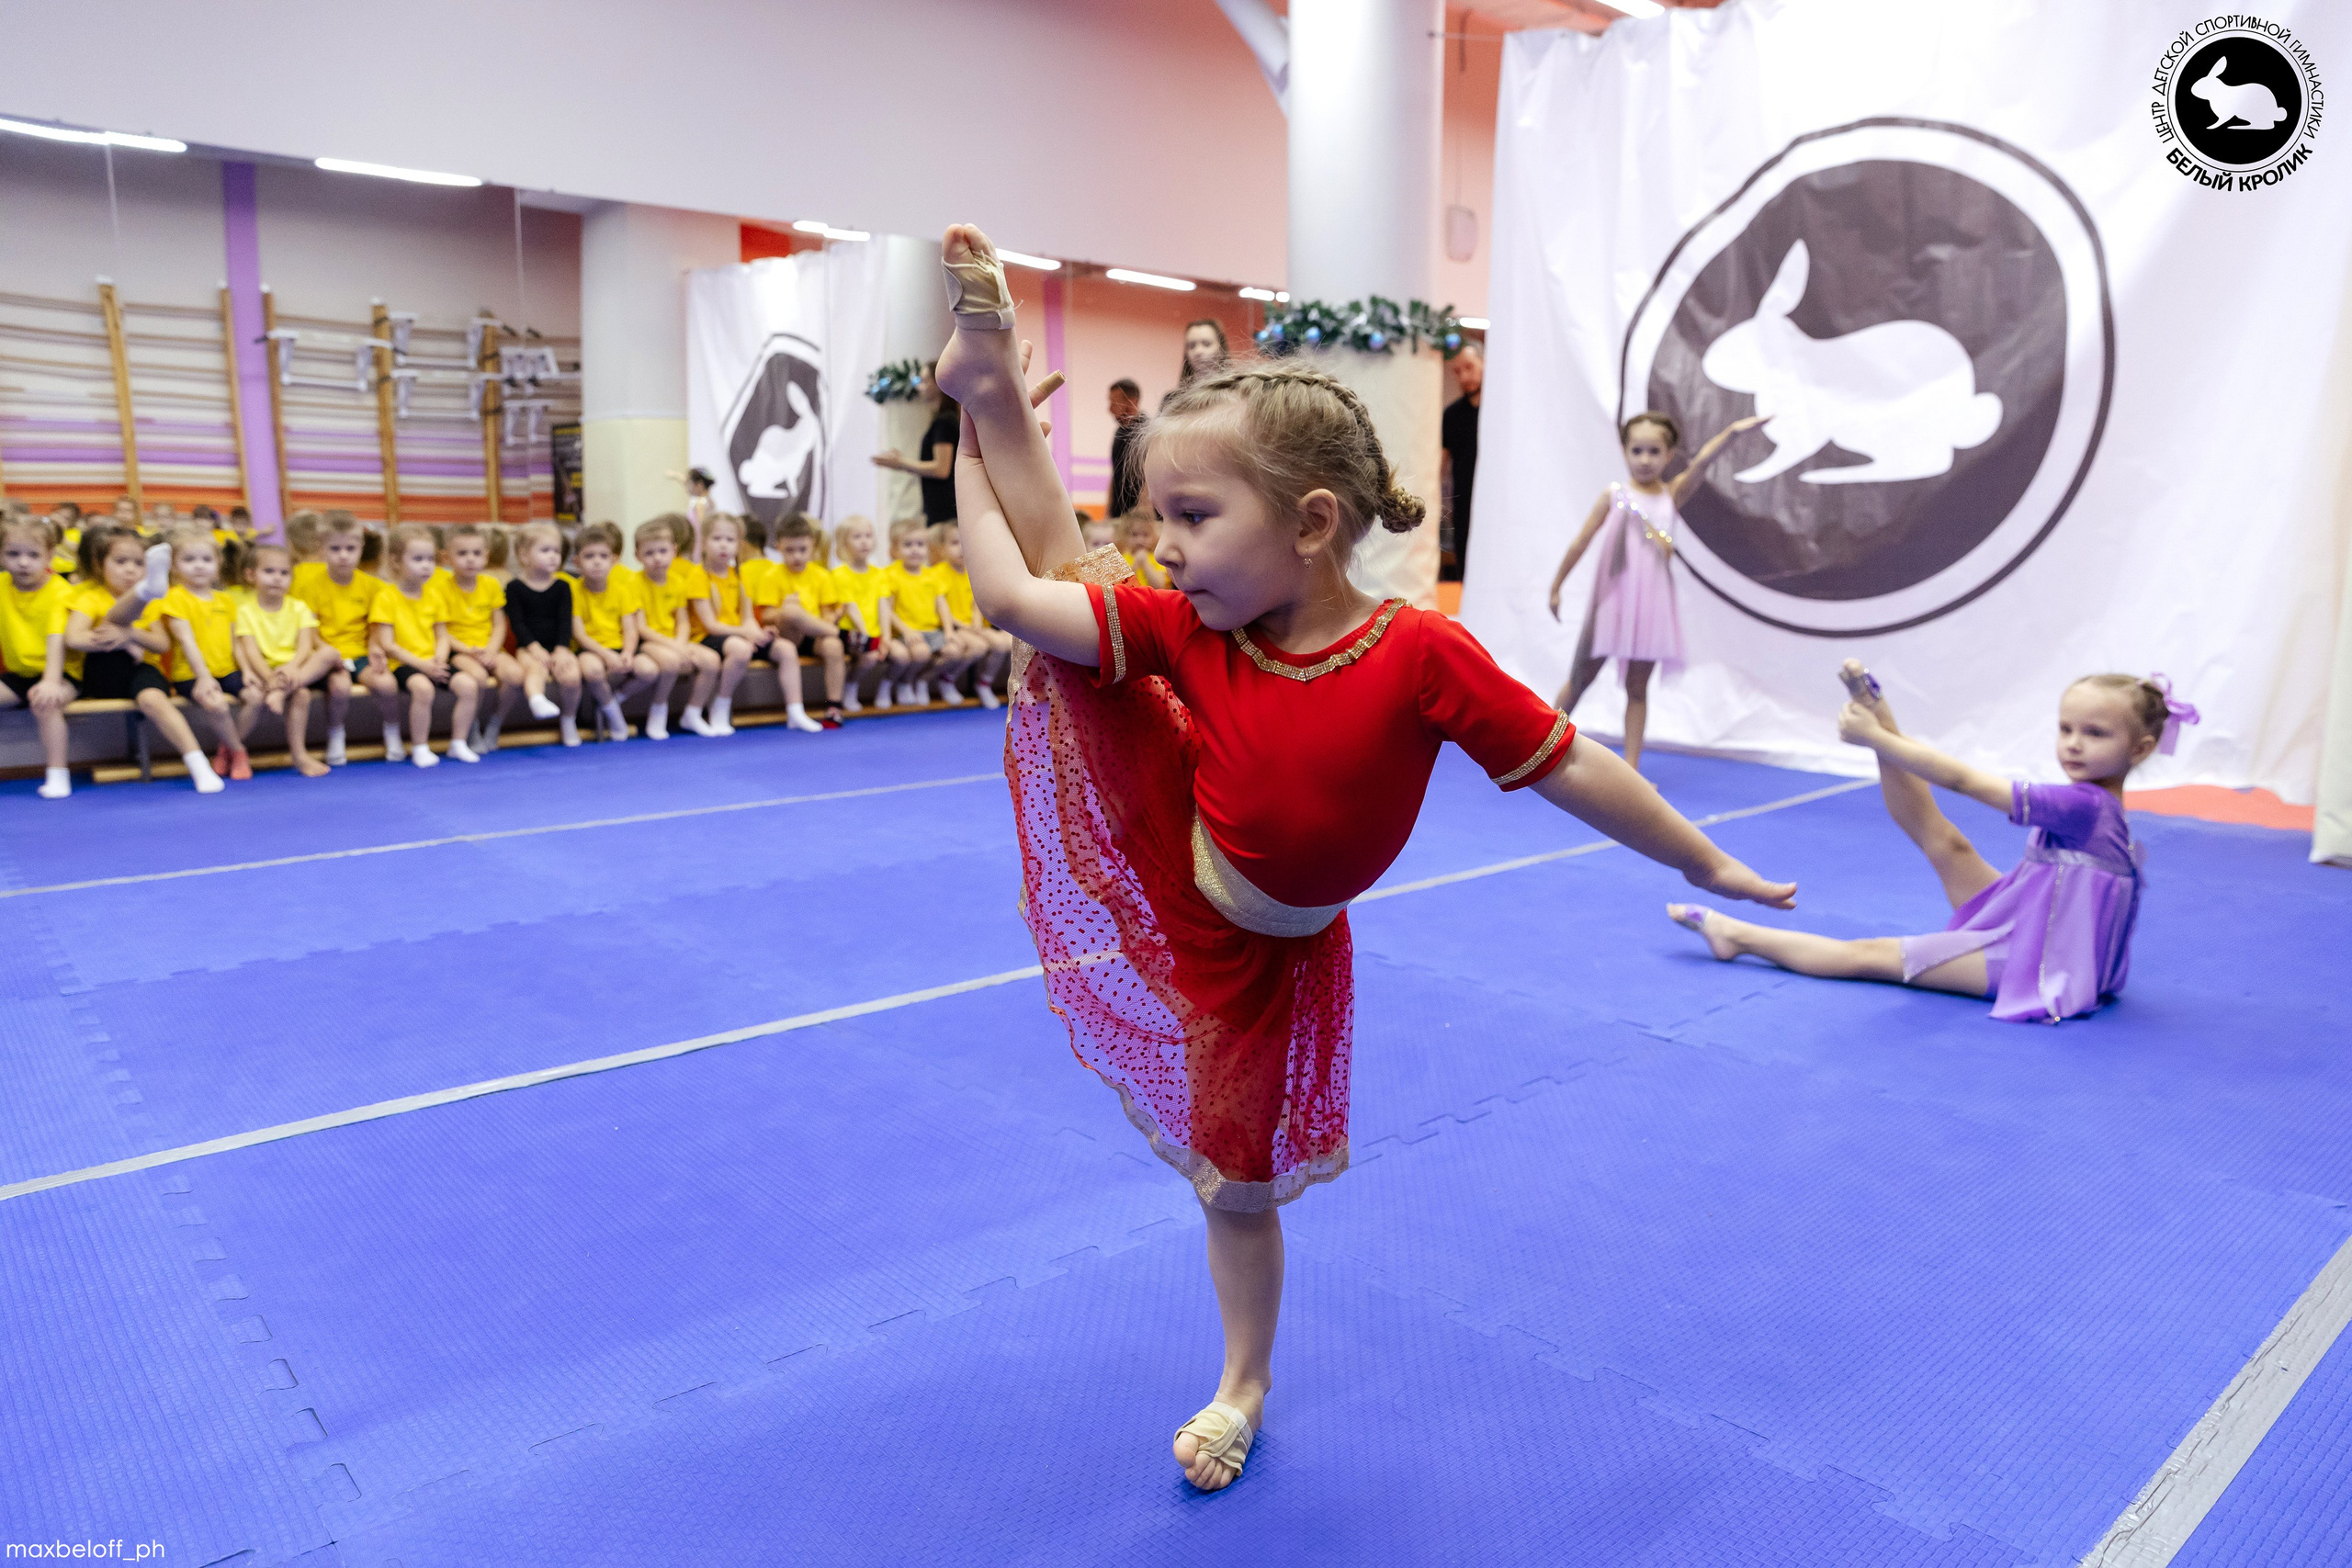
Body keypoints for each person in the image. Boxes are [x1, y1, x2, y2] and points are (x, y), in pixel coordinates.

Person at [933, 223, 1795, 1495]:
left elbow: (1573, 765)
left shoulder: (1418, 655)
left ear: (1313, 523)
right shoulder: (1196, 628)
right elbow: (1011, 598)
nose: (1164, 543)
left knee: (1237, 1185)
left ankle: (1247, 1376)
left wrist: (1700, 858)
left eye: (1192, 515)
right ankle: (990, 381)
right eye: (1160, 514)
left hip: (1265, 947)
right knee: (1071, 603)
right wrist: (965, 442)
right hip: (1187, 858)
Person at [1670, 664, 2195, 1024]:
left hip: (2033, 959)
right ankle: (1881, 713)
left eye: (2095, 733)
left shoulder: (2084, 806)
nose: (2074, 744)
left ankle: (1736, 934)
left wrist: (1875, 739)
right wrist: (1883, 729)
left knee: (1870, 955)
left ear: (2140, 749)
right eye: (2066, 729)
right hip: (2031, 912)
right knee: (1945, 841)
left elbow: (1965, 781)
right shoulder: (2098, 806)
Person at [1545, 411, 1765, 769]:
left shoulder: (1671, 495)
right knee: (1580, 678)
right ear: (1624, 451)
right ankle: (1541, 747)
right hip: (1613, 604)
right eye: (1637, 451)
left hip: (1650, 608)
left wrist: (1732, 433)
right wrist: (1557, 586)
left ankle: (1631, 768)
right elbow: (1581, 542)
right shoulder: (1614, 495)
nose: (1645, 460)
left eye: (1654, 451)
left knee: (1638, 688)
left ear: (1669, 455)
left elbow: (1703, 462)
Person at [70, 525, 222, 794]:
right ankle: (144, 590)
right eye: (120, 562)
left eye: (139, 564)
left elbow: (161, 644)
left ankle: (199, 766)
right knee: (113, 626)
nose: (130, 570)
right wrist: (121, 642)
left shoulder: (154, 606)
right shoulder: (90, 598)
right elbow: (74, 638)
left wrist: (130, 635)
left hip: (142, 668)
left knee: (153, 699)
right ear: (99, 565)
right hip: (104, 673)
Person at [148, 528, 265, 780]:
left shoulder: (226, 600)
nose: (199, 566)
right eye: (189, 560)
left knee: (255, 697)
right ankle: (239, 752)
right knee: (217, 705)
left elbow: (235, 642)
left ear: (218, 564)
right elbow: (186, 641)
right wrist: (203, 677)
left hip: (226, 669)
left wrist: (246, 671)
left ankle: (226, 750)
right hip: (190, 674)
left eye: (206, 559)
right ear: (174, 566)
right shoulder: (175, 598)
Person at [366, 523, 479, 767]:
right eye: (418, 559)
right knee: (423, 689)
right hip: (403, 663)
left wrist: (439, 659)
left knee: (468, 686)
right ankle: (420, 747)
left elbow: (442, 636)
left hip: (432, 660)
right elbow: (388, 644)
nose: (427, 565)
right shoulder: (387, 597)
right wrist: (423, 666)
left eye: (430, 559)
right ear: (396, 562)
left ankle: (458, 743)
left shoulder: (434, 595)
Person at [231, 543, 339, 778]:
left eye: (284, 573)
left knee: (330, 653)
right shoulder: (245, 611)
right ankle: (299, 756)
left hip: (295, 669)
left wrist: (291, 667)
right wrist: (271, 679)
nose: (277, 578)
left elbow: (305, 647)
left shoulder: (299, 607)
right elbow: (251, 652)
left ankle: (281, 697)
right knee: (302, 694)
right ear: (251, 575)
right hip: (266, 671)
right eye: (269, 571)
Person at [290, 512, 380, 767]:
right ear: (322, 549)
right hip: (326, 655)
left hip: (358, 654)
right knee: (340, 687)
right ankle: (336, 734)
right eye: (335, 549)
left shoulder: (374, 586)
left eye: (350, 549)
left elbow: (376, 627)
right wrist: (327, 652)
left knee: (385, 684)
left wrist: (375, 649)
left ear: (360, 549)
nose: (343, 555)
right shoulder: (309, 586)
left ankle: (393, 733)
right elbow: (309, 630)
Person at [746, 513, 847, 728]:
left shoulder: (821, 575)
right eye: (790, 551)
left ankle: (834, 707)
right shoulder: (771, 575)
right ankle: (846, 636)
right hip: (787, 635)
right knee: (792, 611)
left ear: (813, 547)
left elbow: (826, 613)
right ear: (778, 547)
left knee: (833, 645)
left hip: (814, 635)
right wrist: (784, 610)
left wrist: (831, 618)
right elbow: (765, 616)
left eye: (803, 550)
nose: (797, 556)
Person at [0, 516, 75, 798]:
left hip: (63, 672)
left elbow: (56, 639)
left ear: (50, 556)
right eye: (13, 554)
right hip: (20, 673)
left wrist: (51, 682)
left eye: (33, 555)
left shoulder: (60, 591)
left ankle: (58, 774)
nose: (23, 563)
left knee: (45, 703)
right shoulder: (2, 585)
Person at [632, 516, 722, 738]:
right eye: (649, 553)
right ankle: (658, 711)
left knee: (711, 661)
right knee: (671, 662)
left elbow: (682, 621)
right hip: (648, 642)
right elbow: (642, 629)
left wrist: (680, 644)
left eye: (663, 551)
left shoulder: (678, 582)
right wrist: (675, 647)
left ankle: (692, 713)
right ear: (638, 556)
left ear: (674, 551)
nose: (657, 558)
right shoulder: (634, 583)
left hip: (674, 640)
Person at [688, 514, 774, 735]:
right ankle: (721, 705)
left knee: (785, 649)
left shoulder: (740, 575)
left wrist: (759, 633)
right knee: (741, 649)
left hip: (734, 635)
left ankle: (795, 710)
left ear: (739, 545)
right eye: (717, 539)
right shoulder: (698, 575)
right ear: (703, 543)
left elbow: (748, 617)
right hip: (704, 638)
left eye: (730, 540)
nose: (724, 545)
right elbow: (710, 625)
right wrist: (745, 633)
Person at [571, 522, 655, 741]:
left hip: (618, 646)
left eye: (603, 556)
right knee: (593, 670)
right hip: (591, 649)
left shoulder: (622, 590)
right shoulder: (574, 591)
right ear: (576, 562)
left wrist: (627, 652)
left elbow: (630, 629)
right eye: (589, 556)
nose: (597, 561)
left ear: (614, 560)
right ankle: (615, 716)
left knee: (648, 670)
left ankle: (612, 700)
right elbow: (580, 634)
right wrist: (607, 655)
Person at [439, 525, 520, 752]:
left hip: (489, 647)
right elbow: (441, 631)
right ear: (447, 558)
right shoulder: (440, 588)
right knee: (478, 677)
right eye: (462, 554)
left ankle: (495, 724)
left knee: (515, 676)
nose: (470, 559)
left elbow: (499, 624)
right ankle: (471, 728)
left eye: (476, 553)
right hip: (459, 650)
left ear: (486, 556)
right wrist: (468, 650)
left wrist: (492, 650)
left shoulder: (491, 584)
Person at [504, 522, 583, 747]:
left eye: (556, 551)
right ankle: (537, 699)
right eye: (545, 550)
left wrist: (561, 649)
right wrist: (534, 648)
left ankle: (568, 719)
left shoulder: (563, 587)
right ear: (524, 556)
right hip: (528, 646)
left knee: (571, 676)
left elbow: (565, 621)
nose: (553, 556)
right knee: (535, 669)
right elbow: (518, 624)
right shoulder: (514, 588)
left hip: (558, 645)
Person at [930, 521, 1011, 710]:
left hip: (973, 625)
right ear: (942, 548)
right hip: (954, 626)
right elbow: (942, 609)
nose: (961, 548)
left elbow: (976, 604)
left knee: (1003, 644)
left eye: (965, 542)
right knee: (978, 647)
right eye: (954, 543)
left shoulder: (973, 571)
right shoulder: (937, 573)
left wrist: (976, 625)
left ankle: (984, 683)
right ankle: (947, 678)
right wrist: (966, 627)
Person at [872, 372, 962, 525]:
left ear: (939, 384)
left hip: (944, 507)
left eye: (925, 381)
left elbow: (941, 469)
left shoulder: (944, 422)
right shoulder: (944, 419)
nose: (919, 387)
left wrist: (901, 463)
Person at [878, 517, 947, 705]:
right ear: (895, 550)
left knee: (954, 651)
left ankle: (920, 680)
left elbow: (942, 606)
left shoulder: (931, 575)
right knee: (921, 652)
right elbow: (887, 609)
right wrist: (906, 630)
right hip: (903, 632)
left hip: (931, 630)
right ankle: (897, 683)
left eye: (920, 544)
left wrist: (949, 632)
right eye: (908, 545)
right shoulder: (890, 574)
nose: (915, 549)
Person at [830, 515, 894, 711]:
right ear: (844, 543)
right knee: (870, 656)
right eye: (857, 537)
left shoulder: (879, 574)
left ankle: (887, 688)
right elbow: (850, 608)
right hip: (851, 631)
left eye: (868, 535)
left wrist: (886, 637)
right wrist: (869, 637)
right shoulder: (840, 573)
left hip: (874, 632)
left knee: (900, 655)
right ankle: (851, 685)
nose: (864, 541)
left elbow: (884, 606)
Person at [1438, 344, 1482, 584]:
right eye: (1457, 371)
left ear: (1485, 363)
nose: (1464, 377)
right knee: (1466, 567)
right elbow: (1441, 464)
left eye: (1469, 367)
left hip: (1497, 503)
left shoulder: (1500, 413)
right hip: (1464, 505)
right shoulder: (1452, 415)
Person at [1161, 318, 1230, 409]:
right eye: (1192, 346)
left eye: (1206, 344)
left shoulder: (1236, 394)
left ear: (1221, 349)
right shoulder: (1172, 400)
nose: (1198, 351)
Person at [1107, 378, 1146, 519]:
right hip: (1118, 516)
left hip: (1139, 518)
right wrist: (1108, 513)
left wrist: (1142, 514)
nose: (1110, 409)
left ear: (1131, 402)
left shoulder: (1146, 431)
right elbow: (1115, 473)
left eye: (1114, 403)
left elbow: (1149, 478)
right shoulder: (1119, 433)